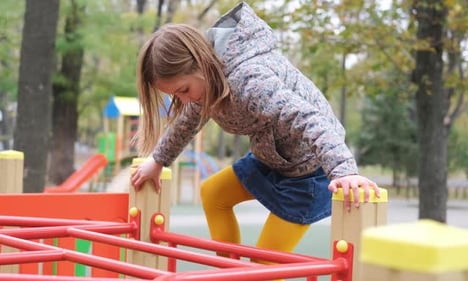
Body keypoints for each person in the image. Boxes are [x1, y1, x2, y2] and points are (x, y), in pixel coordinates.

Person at [131, 1, 380, 263]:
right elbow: (185, 125)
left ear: (201, 65)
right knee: (213, 193)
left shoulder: (251, 82)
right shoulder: (205, 89)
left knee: (262, 265)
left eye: (183, 90)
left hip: (309, 174)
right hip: (272, 158)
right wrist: (158, 161)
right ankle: (229, 270)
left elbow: (310, 119)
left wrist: (345, 171)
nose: (184, 100)